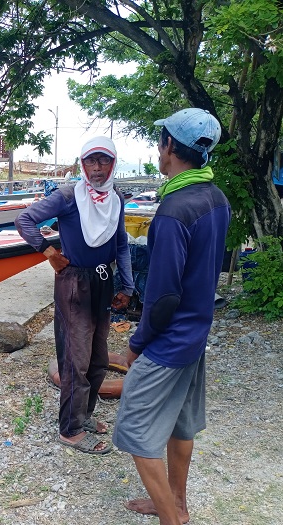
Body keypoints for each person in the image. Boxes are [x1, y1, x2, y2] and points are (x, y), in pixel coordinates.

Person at [112, 108, 231, 524]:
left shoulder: (174, 211)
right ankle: (176, 502)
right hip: (196, 335)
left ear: (168, 147)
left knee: (135, 433)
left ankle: (172, 519)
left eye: (160, 142)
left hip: (169, 341)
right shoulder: (215, 199)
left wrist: (136, 344)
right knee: (181, 425)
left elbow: (162, 299)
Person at [15, 136, 134, 455]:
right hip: (74, 285)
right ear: (82, 164)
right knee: (75, 359)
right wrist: (48, 250)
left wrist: (127, 285)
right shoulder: (68, 196)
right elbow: (24, 220)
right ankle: (69, 430)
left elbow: (121, 244)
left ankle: (84, 415)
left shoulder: (116, 199)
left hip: (103, 281)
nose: (97, 168)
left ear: (113, 164)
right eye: (91, 161)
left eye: (104, 161)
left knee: (97, 359)